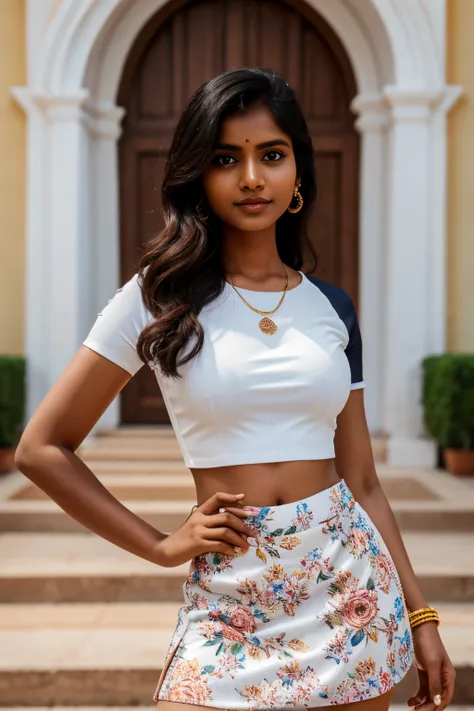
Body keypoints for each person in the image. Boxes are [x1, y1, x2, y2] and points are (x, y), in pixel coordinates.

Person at [15, 68, 455, 711]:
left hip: (348, 591)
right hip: (229, 603)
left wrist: (422, 617)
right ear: (200, 175)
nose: (252, 178)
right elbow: (42, 447)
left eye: (271, 155)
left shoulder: (332, 308)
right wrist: (162, 547)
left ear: (297, 172)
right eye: (227, 159)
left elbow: (362, 481)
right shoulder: (158, 298)